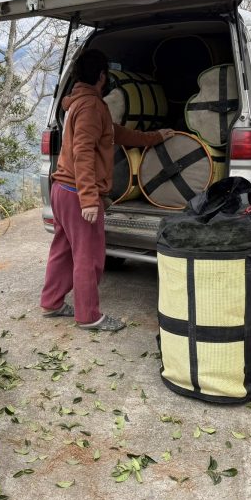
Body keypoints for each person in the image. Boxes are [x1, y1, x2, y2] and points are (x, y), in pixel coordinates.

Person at [40, 49, 174, 331]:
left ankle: (52, 302)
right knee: (88, 257)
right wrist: (90, 199)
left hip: (62, 190)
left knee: (63, 251)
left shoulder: (79, 103)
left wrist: (155, 137)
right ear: (102, 76)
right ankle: (88, 316)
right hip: (78, 194)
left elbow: (116, 133)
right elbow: (83, 153)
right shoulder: (90, 106)